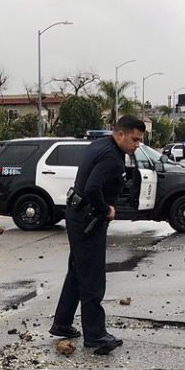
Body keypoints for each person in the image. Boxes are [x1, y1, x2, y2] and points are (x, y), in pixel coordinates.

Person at [50, 114, 146, 355]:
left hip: (77, 214)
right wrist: (107, 209)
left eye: (140, 140)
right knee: (92, 275)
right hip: (88, 218)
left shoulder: (100, 144)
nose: (137, 144)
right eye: (134, 139)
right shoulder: (112, 158)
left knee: (78, 270)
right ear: (121, 134)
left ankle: (62, 322)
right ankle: (95, 336)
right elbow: (93, 188)